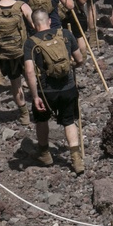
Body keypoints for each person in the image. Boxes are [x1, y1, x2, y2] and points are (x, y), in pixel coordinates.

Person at [23, 10, 85, 174]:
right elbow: (80, 59)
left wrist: (35, 96)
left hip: (46, 91)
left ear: (33, 24)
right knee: (69, 121)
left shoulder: (31, 43)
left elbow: (29, 71)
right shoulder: (65, 34)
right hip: (68, 87)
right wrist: (74, 67)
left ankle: (45, 154)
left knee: (41, 120)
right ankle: (76, 159)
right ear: (49, 21)